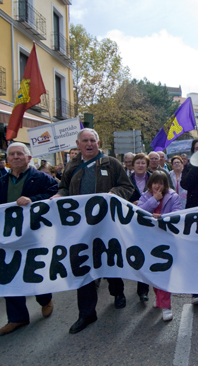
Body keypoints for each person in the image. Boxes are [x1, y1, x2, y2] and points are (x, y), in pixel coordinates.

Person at [51, 128, 137, 334]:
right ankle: (86, 313)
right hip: (80, 228)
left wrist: (114, 192)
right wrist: (58, 196)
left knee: (109, 261)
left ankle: (118, 293)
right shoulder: (72, 166)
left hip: (107, 225)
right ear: (78, 144)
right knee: (83, 267)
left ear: (98, 143)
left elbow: (128, 187)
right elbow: (64, 188)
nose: (89, 144)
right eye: (85, 141)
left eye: (92, 140)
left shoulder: (112, 164)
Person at [0, 143, 58, 335]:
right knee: (9, 273)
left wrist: (33, 200)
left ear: (28, 158)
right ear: (7, 159)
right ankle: (17, 317)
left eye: (20, 154)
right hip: (8, 236)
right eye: (12, 154)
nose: (16, 157)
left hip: (33, 233)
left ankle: (45, 299)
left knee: (33, 269)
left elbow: (55, 194)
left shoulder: (42, 178)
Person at [136, 171, 183, 321]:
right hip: (149, 241)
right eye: (155, 183)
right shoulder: (145, 196)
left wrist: (162, 218)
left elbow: (178, 214)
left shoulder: (173, 196)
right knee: (153, 272)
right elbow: (139, 213)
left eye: (161, 183)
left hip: (166, 240)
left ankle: (166, 305)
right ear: (150, 184)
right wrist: (154, 200)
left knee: (163, 272)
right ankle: (159, 299)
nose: (158, 186)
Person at [180, 138, 198, 305]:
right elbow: (185, 184)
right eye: (197, 148)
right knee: (195, 253)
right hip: (195, 213)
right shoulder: (189, 167)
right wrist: (197, 166)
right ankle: (196, 290)